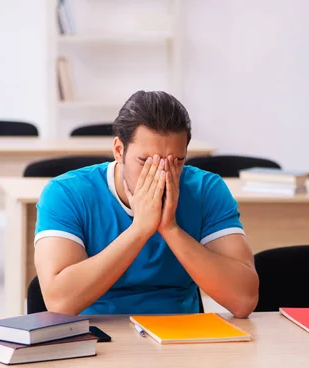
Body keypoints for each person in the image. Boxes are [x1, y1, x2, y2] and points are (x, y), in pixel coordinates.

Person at [34, 90, 259, 318]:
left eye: (176, 162)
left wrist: (170, 229)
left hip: (183, 338)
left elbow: (243, 300)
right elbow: (60, 302)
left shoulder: (206, 190)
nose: (161, 174)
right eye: (145, 161)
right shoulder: (66, 193)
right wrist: (140, 229)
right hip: (98, 337)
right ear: (119, 151)